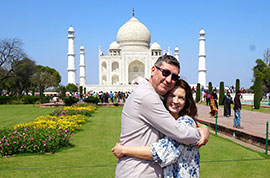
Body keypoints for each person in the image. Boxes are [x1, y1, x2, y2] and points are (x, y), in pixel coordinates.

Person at [114, 54, 209, 178]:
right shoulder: (147, 97)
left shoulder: (153, 95)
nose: (169, 80)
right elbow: (180, 133)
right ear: (153, 70)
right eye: (165, 73)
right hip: (139, 172)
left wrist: (203, 128)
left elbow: (180, 126)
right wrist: (200, 134)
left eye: (174, 77)